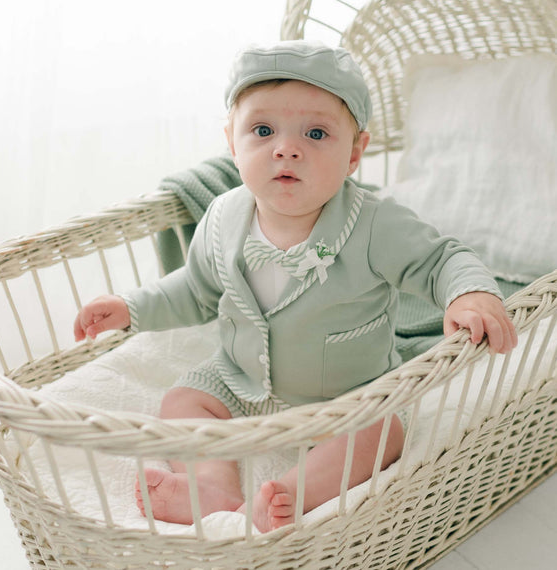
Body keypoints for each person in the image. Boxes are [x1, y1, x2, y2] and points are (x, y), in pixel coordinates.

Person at [73, 40, 517, 533]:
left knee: (382, 430)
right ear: (232, 142)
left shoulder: (374, 223)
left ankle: (291, 492)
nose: (286, 148)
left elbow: (440, 259)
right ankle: (214, 486)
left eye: (316, 133)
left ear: (354, 153)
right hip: (240, 376)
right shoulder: (223, 217)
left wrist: (469, 293)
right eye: (262, 130)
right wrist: (131, 307)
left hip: (348, 389)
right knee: (183, 402)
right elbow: (194, 289)